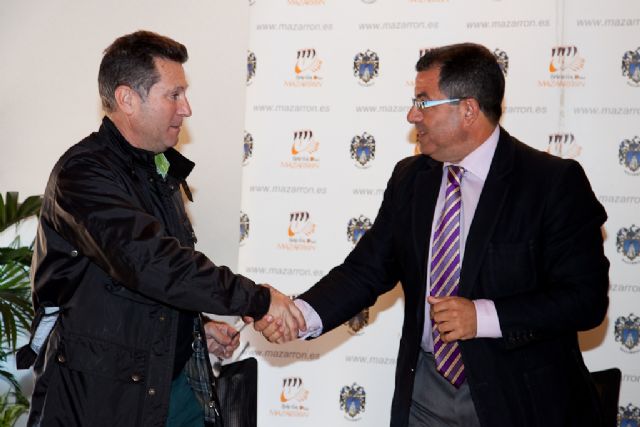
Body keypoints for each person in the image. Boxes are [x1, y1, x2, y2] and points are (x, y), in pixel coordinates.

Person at [256, 43, 609, 427]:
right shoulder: (410, 179)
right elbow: (365, 271)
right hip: (426, 395)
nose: (412, 115)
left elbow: (585, 300)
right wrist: (300, 316)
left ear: (468, 110)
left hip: (519, 400)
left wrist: (482, 316)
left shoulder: (551, 183)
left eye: (423, 102)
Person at [17, 30, 305, 427]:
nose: (186, 108)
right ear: (127, 99)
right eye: (174, 94)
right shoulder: (82, 174)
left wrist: (196, 328)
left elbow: (147, 287)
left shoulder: (157, 170)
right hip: (102, 402)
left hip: (171, 388)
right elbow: (152, 262)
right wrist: (257, 299)